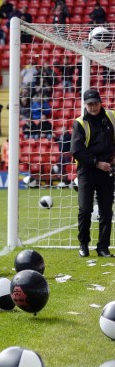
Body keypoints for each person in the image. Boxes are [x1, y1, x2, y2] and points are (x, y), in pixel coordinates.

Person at [71, 89, 115, 257]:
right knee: (85, 209)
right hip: (87, 171)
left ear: (100, 102)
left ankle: (103, 247)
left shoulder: (111, 117)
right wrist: (97, 163)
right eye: (90, 104)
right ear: (85, 105)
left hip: (107, 171)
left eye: (96, 103)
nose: (94, 107)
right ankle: (83, 244)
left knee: (106, 211)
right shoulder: (79, 123)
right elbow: (76, 151)